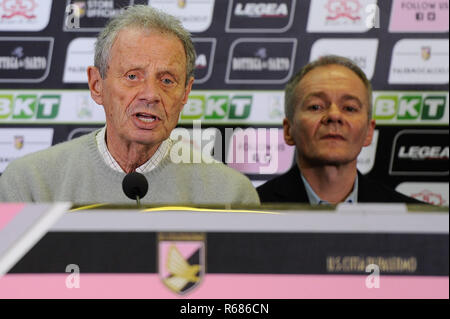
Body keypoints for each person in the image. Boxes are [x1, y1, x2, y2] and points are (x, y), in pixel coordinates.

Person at [0, 5, 259, 205]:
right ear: (96, 84)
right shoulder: (29, 184)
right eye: (133, 76)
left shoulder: (230, 195)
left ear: (185, 93)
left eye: (167, 80)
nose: (150, 94)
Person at [257, 55, 421, 204]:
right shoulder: (251, 211)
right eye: (315, 106)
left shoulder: (415, 220)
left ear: (369, 132)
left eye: (349, 108)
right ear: (288, 130)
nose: (334, 115)